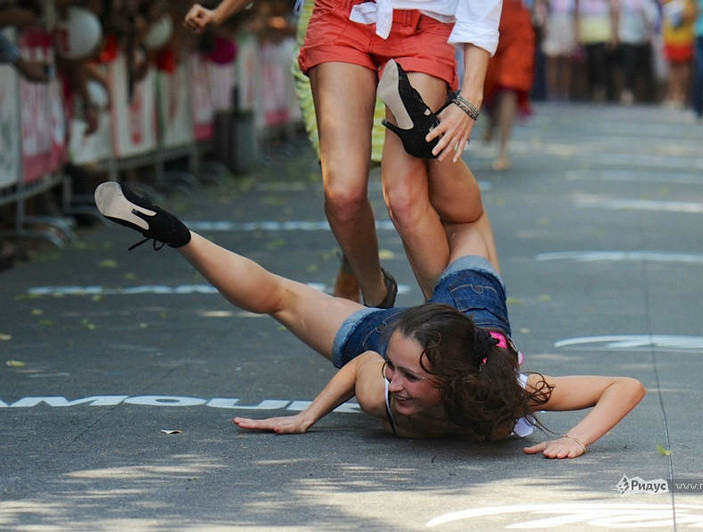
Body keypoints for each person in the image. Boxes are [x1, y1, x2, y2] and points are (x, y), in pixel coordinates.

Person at [93, 180, 646, 458]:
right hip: (444, 315)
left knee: (286, 297)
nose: (390, 381)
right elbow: (367, 360)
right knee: (467, 219)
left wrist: (576, 438)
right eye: (394, 371)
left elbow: (627, 386)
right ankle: (174, 232)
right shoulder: (387, 385)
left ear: (457, 383)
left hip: (427, 331)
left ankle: (424, 128)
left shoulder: (498, 391)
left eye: (405, 377)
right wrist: (307, 416)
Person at [183, 0, 499, 307]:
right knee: (342, 196)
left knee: (404, 198)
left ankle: (459, 328)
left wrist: (470, 97)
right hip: (340, 17)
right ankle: (377, 300)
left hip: (424, 23)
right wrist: (220, 12)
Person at [481, 0, 537, 171]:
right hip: (490, 20)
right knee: (489, 83)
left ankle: (502, 151)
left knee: (509, 85)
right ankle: (492, 122)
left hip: (518, 27)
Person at [660, 0, 694, 108]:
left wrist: (682, 13)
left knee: (683, 67)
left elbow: (693, 13)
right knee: (672, 68)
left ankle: (682, 96)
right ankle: (672, 95)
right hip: (670, 37)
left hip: (685, 38)